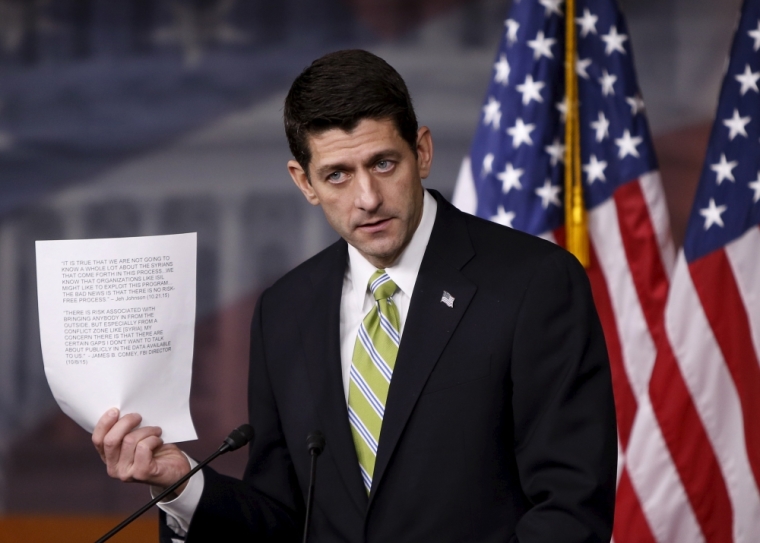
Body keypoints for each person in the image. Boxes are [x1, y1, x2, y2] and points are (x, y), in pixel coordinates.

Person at [93, 49, 617, 542]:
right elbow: (283, 519)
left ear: (422, 151)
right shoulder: (285, 311)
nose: (367, 198)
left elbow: (570, 508)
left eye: (384, 164)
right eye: (338, 175)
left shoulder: (535, 283)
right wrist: (183, 485)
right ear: (305, 183)